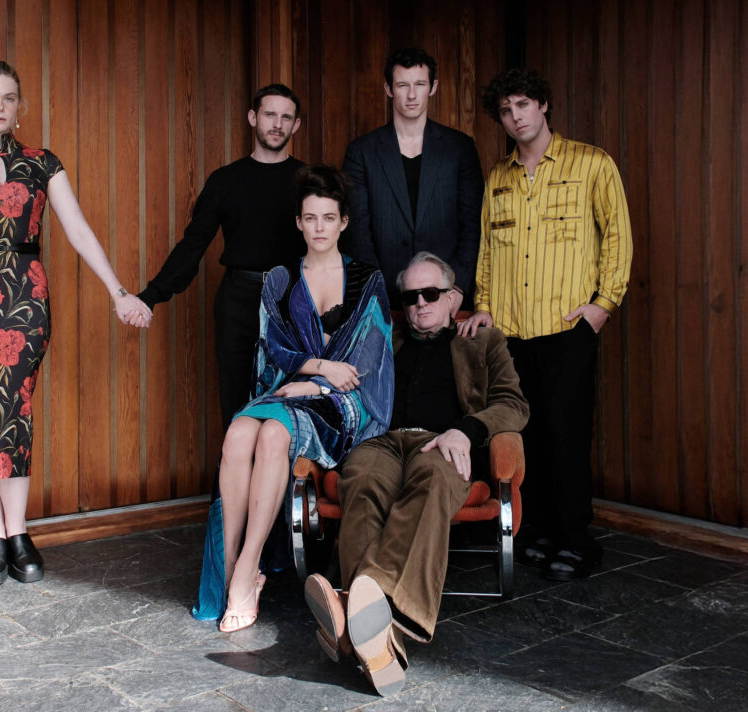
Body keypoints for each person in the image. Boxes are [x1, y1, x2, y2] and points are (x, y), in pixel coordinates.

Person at [0, 60, 151, 587]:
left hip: (26, 300)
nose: (0, 106)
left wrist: (119, 291)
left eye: (8, 98)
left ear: (19, 106)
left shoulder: (43, 163)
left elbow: (78, 230)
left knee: (15, 410)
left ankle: (20, 530)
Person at [304, 252, 528, 696]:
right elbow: (341, 376)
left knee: (433, 479)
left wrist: (466, 430)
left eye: (431, 294)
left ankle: (355, 613)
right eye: (410, 297)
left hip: (443, 441)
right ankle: (382, 636)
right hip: (383, 441)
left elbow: (513, 404)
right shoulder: (383, 337)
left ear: (453, 298)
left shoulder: (483, 341)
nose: (420, 304)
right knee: (361, 479)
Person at [193, 165, 394, 633]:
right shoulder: (280, 279)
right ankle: (226, 572)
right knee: (241, 431)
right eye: (311, 218)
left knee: (273, 435)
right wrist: (319, 369)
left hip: (345, 406)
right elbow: (274, 350)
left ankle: (247, 570)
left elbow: (369, 364)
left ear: (344, 221)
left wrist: (318, 384)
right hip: (287, 389)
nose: (320, 228)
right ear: (299, 223)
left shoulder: (367, 279)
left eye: (329, 218)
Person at [459, 68, 633, 581]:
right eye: (507, 111)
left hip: (566, 328)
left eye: (523, 105)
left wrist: (603, 305)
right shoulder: (499, 177)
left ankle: (577, 540)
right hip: (511, 331)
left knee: (566, 434)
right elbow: (488, 250)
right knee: (523, 434)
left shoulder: (592, 164)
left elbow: (618, 238)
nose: (516, 118)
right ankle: (536, 530)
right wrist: (484, 303)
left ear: (544, 105)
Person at [137, 84, 306, 430]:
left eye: (285, 117)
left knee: (292, 399)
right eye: (270, 115)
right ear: (252, 118)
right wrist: (152, 296)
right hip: (238, 300)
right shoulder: (225, 181)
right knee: (236, 400)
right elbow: (193, 245)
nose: (277, 124)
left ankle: (284, 484)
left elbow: (333, 245)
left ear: (296, 125)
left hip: (294, 299)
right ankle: (232, 485)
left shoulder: (309, 181)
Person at [342, 47, 483, 309]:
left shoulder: (459, 147)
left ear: (433, 87)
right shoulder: (361, 151)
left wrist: (458, 286)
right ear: (388, 89)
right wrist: (376, 293)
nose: (411, 95)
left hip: (446, 297)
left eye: (419, 84)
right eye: (402, 85)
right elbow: (357, 230)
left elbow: (472, 224)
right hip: (383, 301)